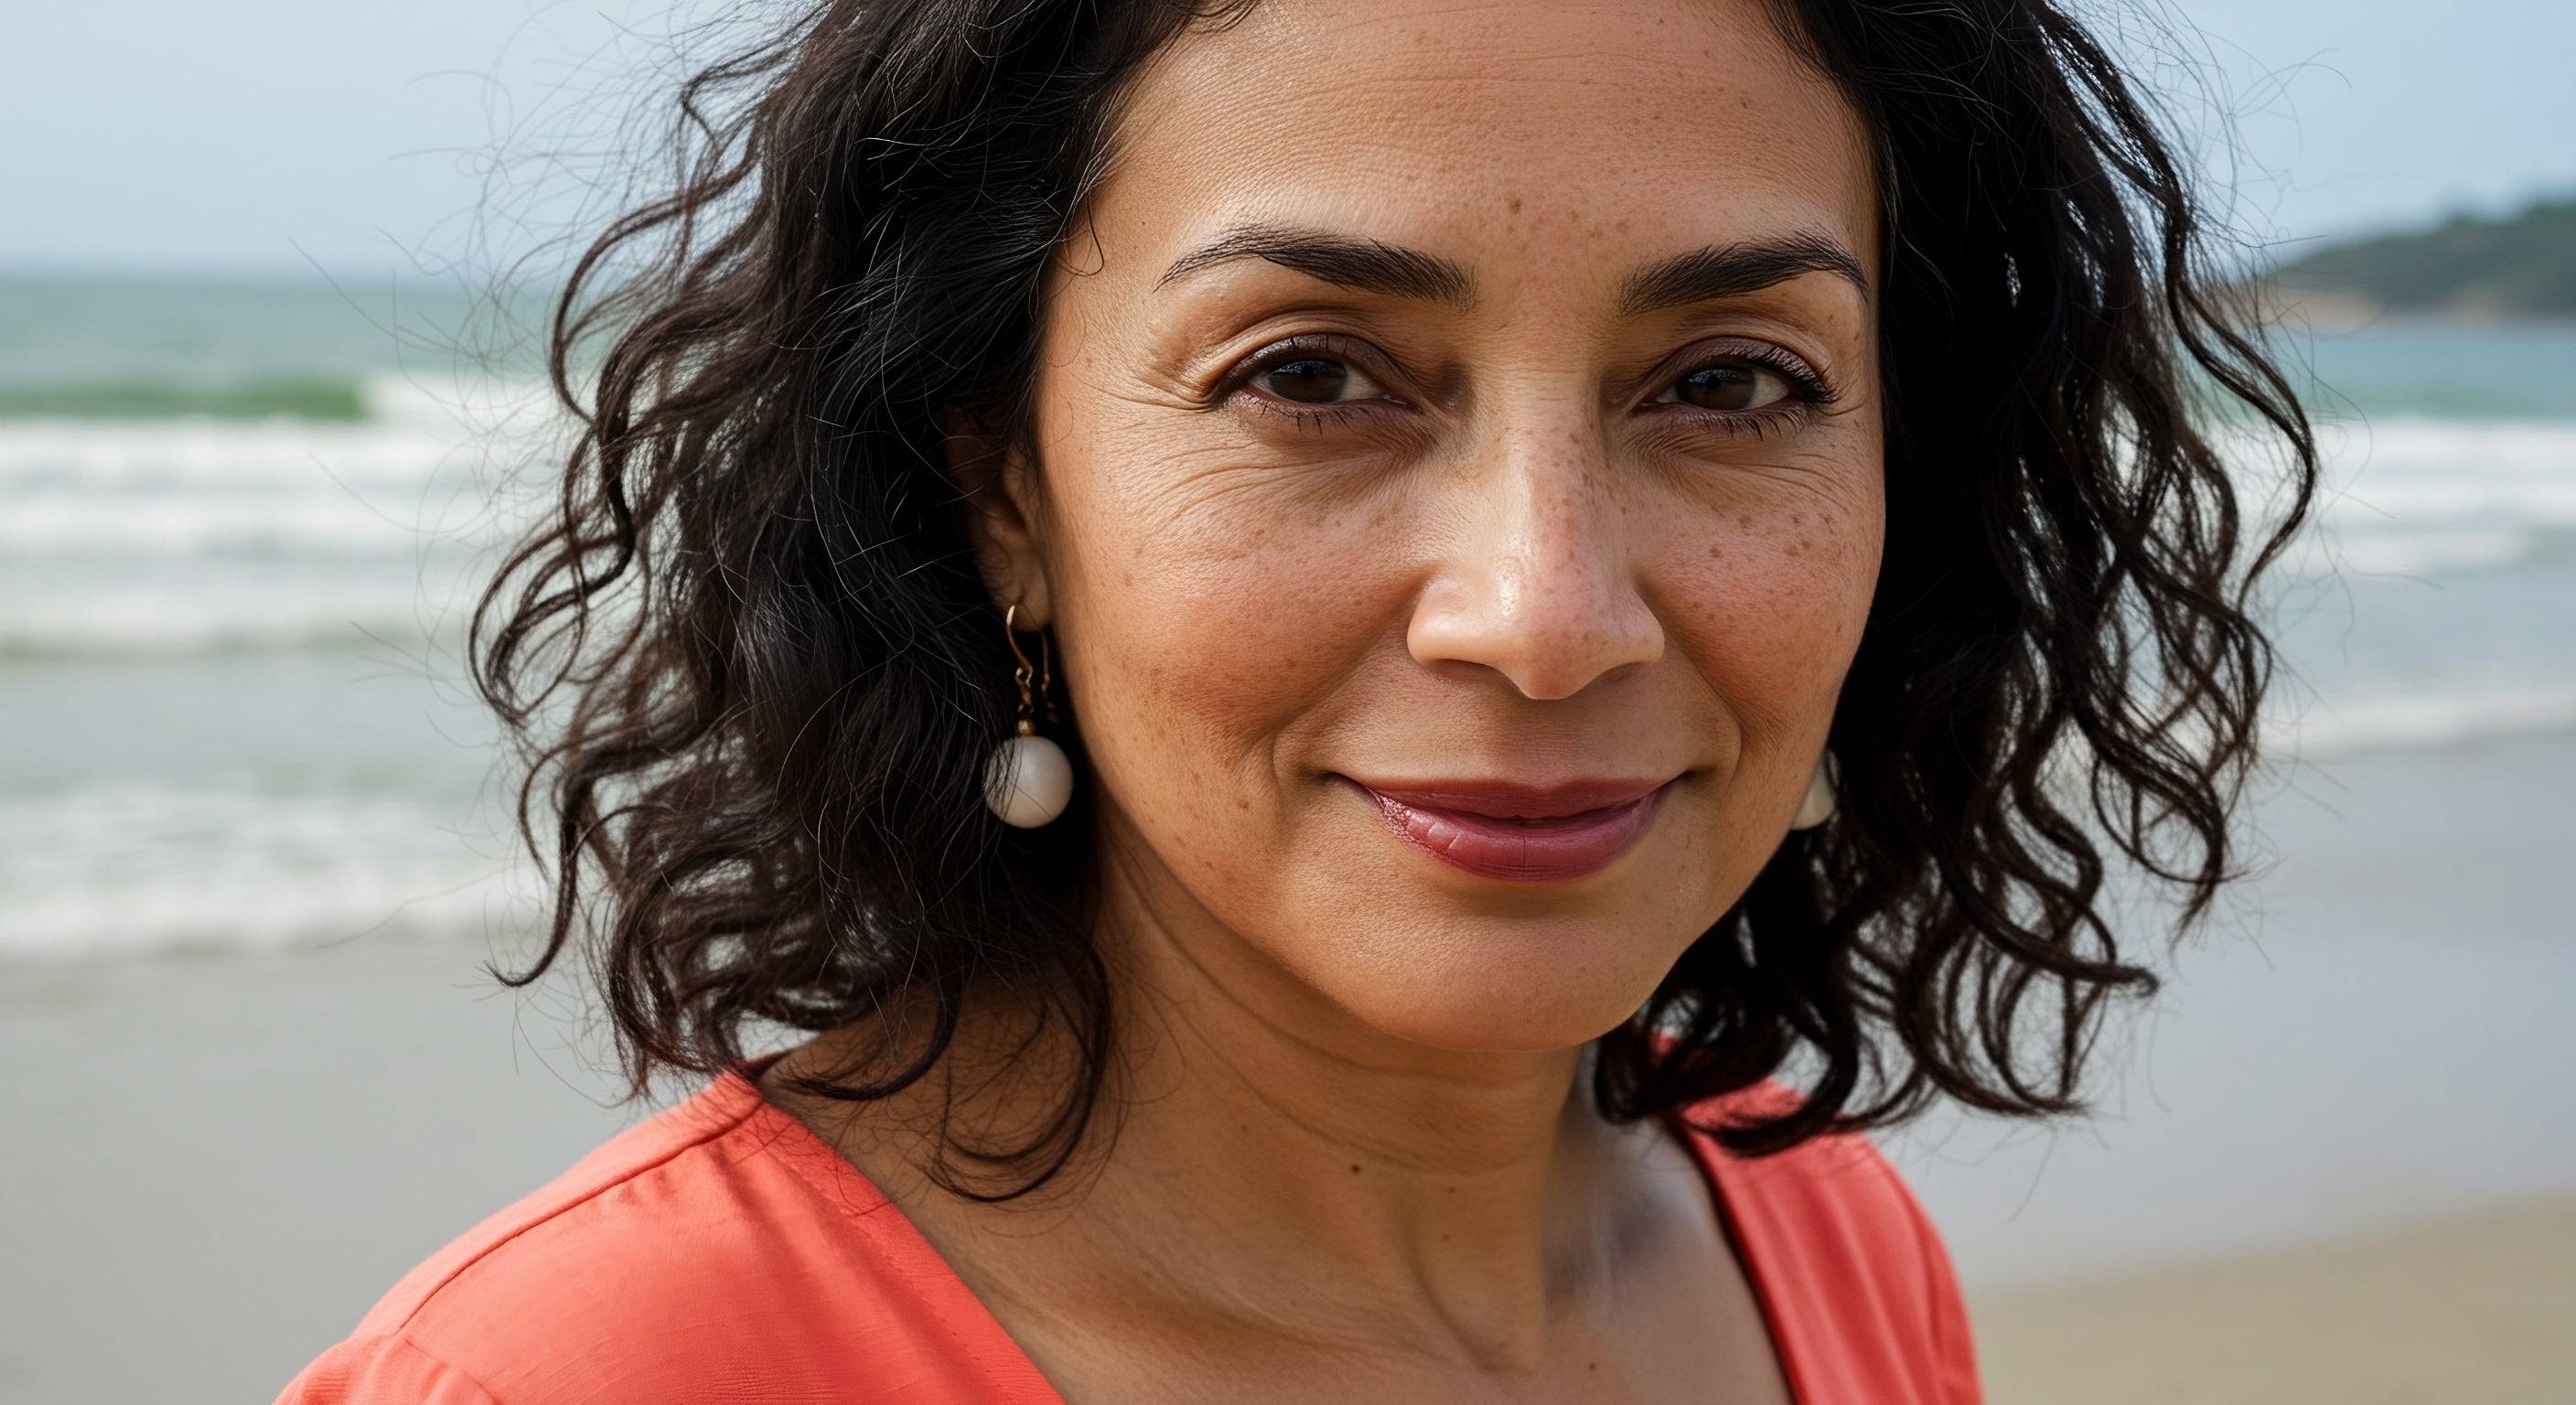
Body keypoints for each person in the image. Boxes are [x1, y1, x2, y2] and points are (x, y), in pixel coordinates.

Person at [278, 0, 2318, 1399]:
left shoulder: (1826, 1249)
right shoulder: (585, 1375)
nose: (1546, 615)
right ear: (1002, 484)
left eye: (1731, 385)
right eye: (1310, 374)